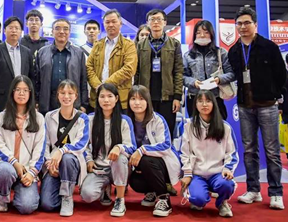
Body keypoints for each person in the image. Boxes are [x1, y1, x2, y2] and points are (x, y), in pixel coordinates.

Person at [228, 7, 286, 210]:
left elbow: (281, 75)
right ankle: (253, 189)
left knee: (272, 151)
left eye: (247, 23)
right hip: (245, 106)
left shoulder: (269, 47)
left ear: (255, 24)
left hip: (267, 105)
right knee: (249, 150)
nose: (243, 27)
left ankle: (276, 192)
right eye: (239, 24)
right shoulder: (234, 51)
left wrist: (276, 96)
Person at [180, 90, 239, 218]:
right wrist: (187, 173)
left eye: (208, 101)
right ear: (195, 104)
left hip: (218, 173)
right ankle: (198, 194)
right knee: (198, 200)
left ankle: (222, 202)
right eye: (200, 101)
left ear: (214, 104)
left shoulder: (225, 127)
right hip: (197, 174)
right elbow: (183, 152)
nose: (204, 104)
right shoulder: (188, 126)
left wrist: (227, 169)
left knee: (227, 185)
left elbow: (232, 153)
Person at [0, 76, 46, 214]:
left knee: (27, 207)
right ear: (12, 92)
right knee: (5, 171)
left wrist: (32, 173)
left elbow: (40, 149)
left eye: (25, 90)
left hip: (27, 170)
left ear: (30, 93)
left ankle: (19, 193)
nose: (21, 93)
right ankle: (2, 197)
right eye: (18, 90)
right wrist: (14, 162)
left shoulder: (39, 119)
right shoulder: (1, 117)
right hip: (7, 165)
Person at [80, 83, 136, 217]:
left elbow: (132, 147)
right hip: (98, 169)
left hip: (119, 166)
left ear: (116, 98)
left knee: (120, 157)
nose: (106, 100)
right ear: (97, 99)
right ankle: (105, 187)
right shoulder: (90, 119)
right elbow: (84, 144)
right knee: (87, 195)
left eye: (110, 96)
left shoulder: (124, 120)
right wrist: (89, 159)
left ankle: (120, 200)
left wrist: (119, 147)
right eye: (102, 96)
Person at [127, 85, 181, 217]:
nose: (137, 103)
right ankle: (151, 191)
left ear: (148, 101)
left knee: (146, 160)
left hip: (163, 164)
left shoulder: (157, 119)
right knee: (135, 182)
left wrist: (142, 150)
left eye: (141, 99)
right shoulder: (127, 121)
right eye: (133, 99)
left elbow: (166, 145)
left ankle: (163, 198)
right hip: (140, 165)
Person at [40, 80, 90, 216]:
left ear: (76, 96)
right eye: (62, 93)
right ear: (57, 95)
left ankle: (67, 196)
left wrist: (62, 151)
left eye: (70, 93)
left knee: (67, 158)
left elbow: (81, 144)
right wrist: (49, 163)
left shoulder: (83, 118)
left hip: (73, 163)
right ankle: (60, 193)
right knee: (47, 204)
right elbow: (44, 143)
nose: (66, 96)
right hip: (53, 164)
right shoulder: (49, 116)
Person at [135, 9, 182, 137]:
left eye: (159, 19)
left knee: (167, 132)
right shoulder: (140, 45)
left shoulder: (174, 44)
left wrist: (177, 97)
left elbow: (178, 71)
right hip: (146, 96)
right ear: (148, 23)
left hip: (167, 97)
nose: (155, 22)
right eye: (152, 20)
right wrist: (136, 94)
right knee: (145, 133)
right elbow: (136, 71)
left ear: (164, 22)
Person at [86, 9, 137, 113]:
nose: (110, 25)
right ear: (104, 24)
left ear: (120, 23)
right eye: (107, 22)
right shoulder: (97, 45)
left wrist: (106, 86)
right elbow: (89, 67)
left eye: (114, 21)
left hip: (120, 100)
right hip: (98, 98)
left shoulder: (129, 45)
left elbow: (129, 69)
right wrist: (97, 85)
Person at [183, 20, 234, 120]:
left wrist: (219, 79)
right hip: (194, 97)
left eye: (206, 32)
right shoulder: (188, 55)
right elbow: (182, 76)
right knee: (196, 127)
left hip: (215, 97)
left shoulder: (221, 53)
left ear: (211, 34)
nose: (202, 35)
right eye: (198, 32)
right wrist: (193, 82)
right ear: (194, 35)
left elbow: (232, 73)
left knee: (218, 126)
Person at [35, 18, 88, 114]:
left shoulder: (79, 53)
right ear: (52, 31)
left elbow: (83, 80)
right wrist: (36, 101)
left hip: (71, 101)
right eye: (57, 28)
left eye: (65, 29)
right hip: (48, 102)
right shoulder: (42, 52)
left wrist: (84, 104)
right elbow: (37, 80)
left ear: (69, 32)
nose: (62, 32)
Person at [0, 17, 34, 119]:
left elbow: (31, 77)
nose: (14, 31)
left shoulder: (27, 52)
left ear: (21, 32)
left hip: (23, 99)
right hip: (1, 100)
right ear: (4, 31)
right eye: (10, 28)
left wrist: (33, 100)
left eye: (17, 28)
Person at [81, 19, 100, 113]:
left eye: (94, 28)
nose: (91, 31)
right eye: (88, 29)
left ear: (99, 31)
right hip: (86, 94)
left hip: (101, 90)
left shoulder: (105, 49)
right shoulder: (79, 51)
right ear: (84, 31)